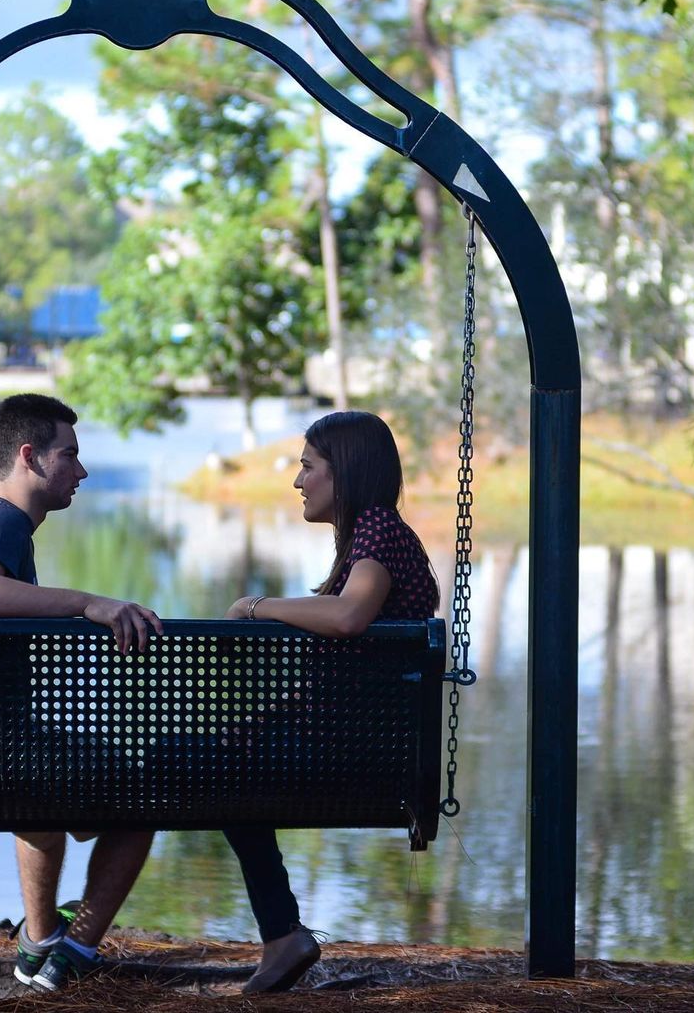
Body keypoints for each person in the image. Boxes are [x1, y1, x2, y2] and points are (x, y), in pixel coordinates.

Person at [0, 393, 163, 992]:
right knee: (152, 790)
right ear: (29, 457)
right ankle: (74, 949)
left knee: (46, 791)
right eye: (69, 454)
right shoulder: (1, 523)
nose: (82, 469)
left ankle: (40, 942)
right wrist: (90, 603)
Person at [223, 409, 439, 993]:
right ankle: (282, 935)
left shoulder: (378, 530)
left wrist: (257, 606)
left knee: (192, 763)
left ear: (343, 472)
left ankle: (282, 934)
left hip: (358, 756)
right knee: (214, 761)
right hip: (358, 744)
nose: (298, 480)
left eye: (308, 466)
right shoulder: (372, 535)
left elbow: (349, 615)